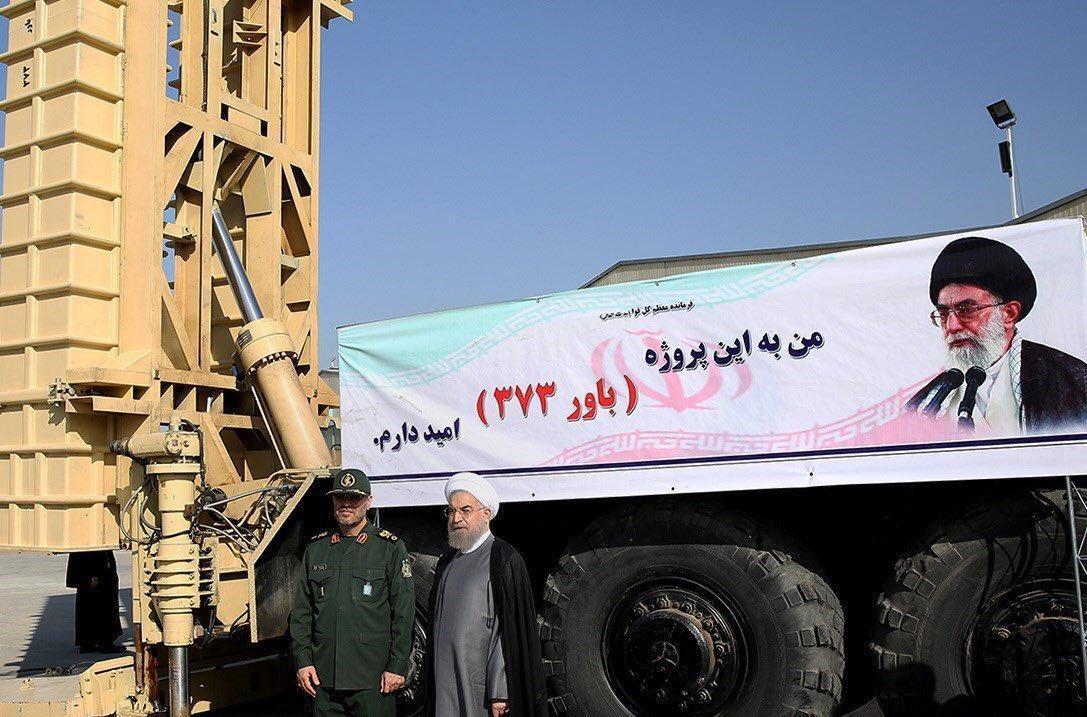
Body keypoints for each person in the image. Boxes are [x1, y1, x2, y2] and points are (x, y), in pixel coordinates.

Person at [909, 236, 1087, 433]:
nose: (952, 326)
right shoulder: (925, 404)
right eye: (943, 314)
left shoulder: (1070, 381)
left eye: (966, 309)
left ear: (1008, 314)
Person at [289, 468, 414, 717]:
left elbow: (403, 612)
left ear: (368, 501)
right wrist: (303, 661)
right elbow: (302, 612)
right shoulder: (317, 549)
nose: (346, 504)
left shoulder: (388, 548)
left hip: (372, 678)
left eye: (354, 498)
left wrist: (397, 666)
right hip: (324, 679)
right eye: (339, 498)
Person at [424, 472, 548, 717]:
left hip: (481, 688)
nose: (456, 518)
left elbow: (509, 631)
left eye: (465, 510)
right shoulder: (447, 561)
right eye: (451, 511)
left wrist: (500, 689)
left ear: (486, 513)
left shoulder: (503, 559)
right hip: (444, 682)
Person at [66, 550, 123, 653]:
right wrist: (93, 574)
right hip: (95, 572)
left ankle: (87, 643)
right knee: (103, 606)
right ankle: (105, 643)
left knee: (88, 606)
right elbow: (91, 551)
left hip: (91, 572)